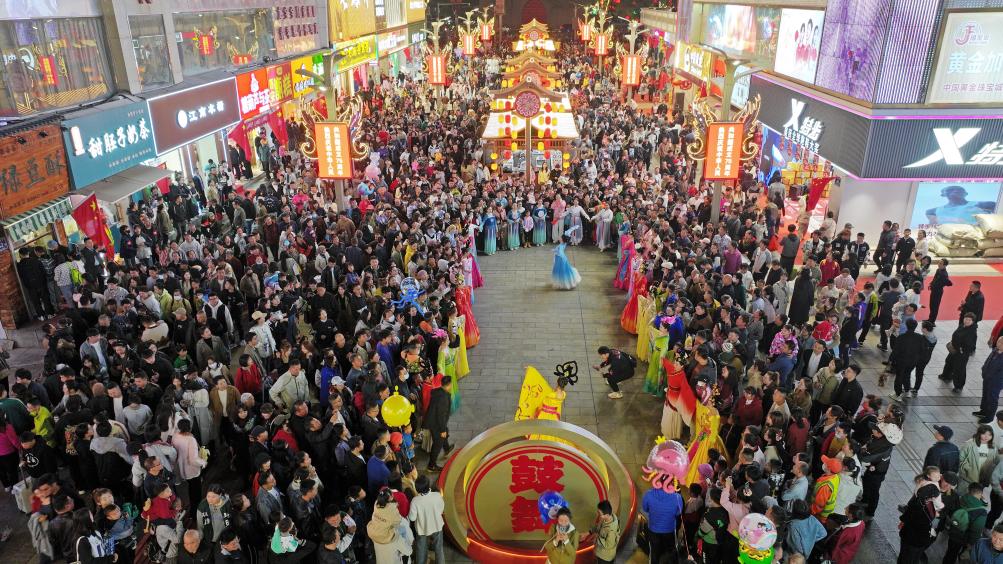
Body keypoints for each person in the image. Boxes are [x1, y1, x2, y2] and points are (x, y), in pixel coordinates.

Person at [944, 481, 988, 564]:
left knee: (950, 554)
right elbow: (977, 530)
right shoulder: (981, 512)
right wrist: (971, 544)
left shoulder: (960, 499)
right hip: (966, 539)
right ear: (981, 493)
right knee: (963, 557)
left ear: (969, 490)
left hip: (954, 533)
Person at [641, 480, 683, 564]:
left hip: (653, 530)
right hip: (669, 530)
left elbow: (645, 508)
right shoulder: (677, 497)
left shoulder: (648, 494)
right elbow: (678, 512)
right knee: (670, 552)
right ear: (671, 483)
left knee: (654, 552)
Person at [898, 483, 941, 563]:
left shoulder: (919, 501)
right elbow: (924, 524)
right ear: (931, 497)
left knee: (906, 557)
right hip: (914, 540)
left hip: (911, 537)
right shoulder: (919, 507)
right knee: (908, 558)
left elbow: (906, 516)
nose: (935, 499)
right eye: (935, 497)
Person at [408, 474, 445, 564]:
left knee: (421, 550)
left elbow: (412, 518)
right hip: (437, 526)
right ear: (428, 485)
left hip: (422, 529)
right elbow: (441, 509)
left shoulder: (415, 501)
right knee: (439, 549)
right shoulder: (437, 495)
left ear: (417, 489)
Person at [940, 313, 979, 394]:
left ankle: (958, 386)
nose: (967, 321)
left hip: (962, 354)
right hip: (954, 349)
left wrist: (960, 349)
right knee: (949, 362)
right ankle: (946, 376)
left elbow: (970, 345)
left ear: (973, 322)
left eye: (969, 320)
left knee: (959, 369)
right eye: (966, 319)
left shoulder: (972, 332)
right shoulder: (962, 326)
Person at [424, 375, 453, 472]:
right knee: (437, 444)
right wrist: (442, 430)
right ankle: (431, 466)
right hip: (436, 423)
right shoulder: (443, 398)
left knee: (445, 433)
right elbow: (441, 416)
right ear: (449, 385)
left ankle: (447, 448)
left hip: (433, 420)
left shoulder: (438, 391)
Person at [978, 337, 1003, 424]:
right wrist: (983, 370)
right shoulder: (995, 350)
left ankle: (989, 417)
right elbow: (988, 361)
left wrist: (992, 378)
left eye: (1001, 343)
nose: (999, 344)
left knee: (992, 399)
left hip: (996, 382)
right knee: (985, 395)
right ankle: (983, 411)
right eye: (999, 341)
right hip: (987, 378)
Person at [590, 500, 620, 564]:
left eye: (599, 513)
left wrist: (597, 537)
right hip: (601, 553)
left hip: (605, 558)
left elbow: (609, 545)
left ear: (606, 515)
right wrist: (589, 532)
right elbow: (599, 526)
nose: (598, 514)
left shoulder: (611, 531)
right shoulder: (605, 519)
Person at [927, 258, 952, 325]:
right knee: (931, 305)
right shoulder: (938, 270)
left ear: (944, 265)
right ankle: (930, 319)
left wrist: (941, 284)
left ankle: (932, 321)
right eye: (939, 263)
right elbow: (934, 278)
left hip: (938, 291)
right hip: (934, 290)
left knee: (935, 306)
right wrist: (931, 284)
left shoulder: (944, 274)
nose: (938, 264)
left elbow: (949, 283)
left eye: (940, 263)